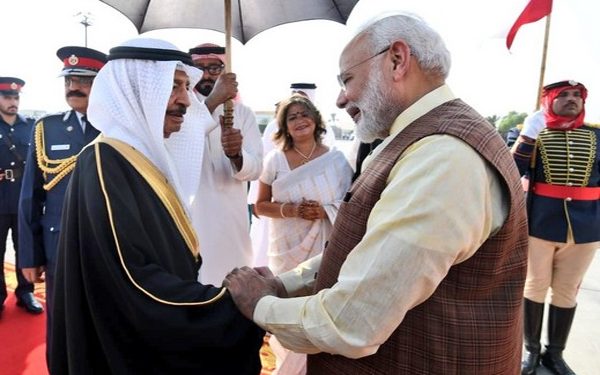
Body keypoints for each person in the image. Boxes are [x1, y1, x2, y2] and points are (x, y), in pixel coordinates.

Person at [224, 13, 529, 374]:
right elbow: (368, 249)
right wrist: (283, 284)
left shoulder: (443, 156)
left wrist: (260, 305)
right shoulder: (414, 140)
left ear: (397, 60)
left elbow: (353, 322)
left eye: (347, 79)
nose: (340, 99)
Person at [49, 37, 264, 374]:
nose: (185, 101)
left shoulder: (140, 156)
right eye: (174, 87)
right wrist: (224, 305)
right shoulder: (106, 161)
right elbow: (132, 280)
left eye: (186, 87)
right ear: (138, 92)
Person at [254, 95, 353, 374]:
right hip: (287, 249)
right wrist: (293, 210)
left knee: (320, 305)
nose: (299, 120)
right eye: (292, 117)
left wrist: (325, 212)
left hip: (326, 247)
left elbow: (351, 204)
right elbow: (260, 206)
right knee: (289, 304)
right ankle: (288, 366)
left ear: (316, 120)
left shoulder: (336, 160)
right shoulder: (275, 160)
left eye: (304, 114)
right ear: (284, 126)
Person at [511, 80, 600, 375]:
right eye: (563, 95)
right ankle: (531, 352)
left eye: (577, 95)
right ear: (549, 100)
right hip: (541, 222)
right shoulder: (536, 132)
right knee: (535, 287)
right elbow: (513, 171)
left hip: (586, 226)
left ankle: (554, 355)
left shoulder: (596, 135)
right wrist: (528, 136)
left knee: (566, 292)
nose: (572, 99)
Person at [18, 46, 106, 336]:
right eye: (69, 81)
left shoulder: (117, 127)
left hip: (108, 243)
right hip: (58, 244)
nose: (73, 87)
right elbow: (31, 197)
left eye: (83, 80)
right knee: (62, 323)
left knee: (103, 321)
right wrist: (29, 257)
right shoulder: (47, 128)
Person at [187, 43, 263, 285]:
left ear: (225, 71)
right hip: (191, 216)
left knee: (233, 285)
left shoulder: (243, 114)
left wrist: (236, 156)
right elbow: (179, 144)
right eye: (200, 68)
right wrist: (213, 101)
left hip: (230, 220)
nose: (207, 74)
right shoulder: (180, 110)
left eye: (215, 68)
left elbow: (257, 168)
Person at [0, 77, 42, 316]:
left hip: (23, 199)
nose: (13, 101)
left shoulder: (31, 127)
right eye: (7, 97)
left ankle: (25, 292)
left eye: (16, 97)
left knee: (25, 247)